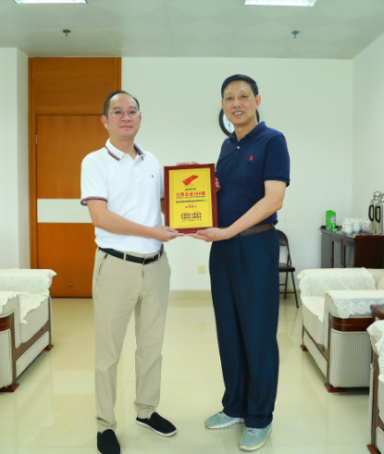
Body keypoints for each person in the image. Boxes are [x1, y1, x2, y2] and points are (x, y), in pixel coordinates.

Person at [189, 74, 290, 451]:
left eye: (244, 96)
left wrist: (229, 231)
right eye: (229, 97)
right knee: (228, 330)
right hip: (224, 250)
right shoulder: (227, 145)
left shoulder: (272, 140)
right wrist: (202, 186)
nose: (236, 103)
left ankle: (260, 417)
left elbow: (273, 199)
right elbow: (228, 194)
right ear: (222, 105)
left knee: (258, 333)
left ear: (257, 100)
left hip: (255, 246)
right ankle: (235, 406)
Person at [81, 90, 182, 454]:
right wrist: (151, 231)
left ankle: (146, 410)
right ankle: (104, 425)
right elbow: (101, 217)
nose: (126, 117)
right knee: (109, 352)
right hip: (116, 267)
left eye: (133, 111)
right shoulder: (95, 162)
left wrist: (199, 188)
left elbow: (165, 205)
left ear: (140, 119)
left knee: (151, 347)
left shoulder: (152, 161)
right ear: (105, 120)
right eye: (118, 112)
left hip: (156, 267)